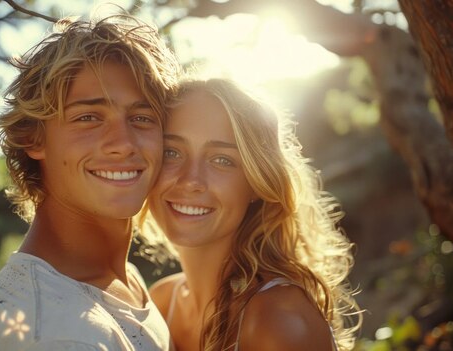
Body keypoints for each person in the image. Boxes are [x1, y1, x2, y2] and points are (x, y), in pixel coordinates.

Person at [0, 10, 180, 350]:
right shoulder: (59, 335)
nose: (123, 143)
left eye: (141, 117)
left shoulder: (116, 279)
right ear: (33, 138)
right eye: (89, 117)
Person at [142, 78, 361, 351]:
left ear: (257, 182)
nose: (190, 180)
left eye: (222, 159)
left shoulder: (277, 322)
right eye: (171, 152)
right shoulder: (161, 301)